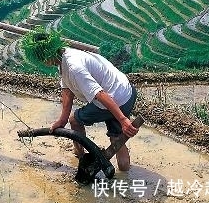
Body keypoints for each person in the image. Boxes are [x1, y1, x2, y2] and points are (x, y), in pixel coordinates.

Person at [21, 29, 140, 171]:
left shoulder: (73, 67)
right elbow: (67, 90)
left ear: (46, 56)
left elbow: (100, 94)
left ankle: (80, 156)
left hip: (114, 98)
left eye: (41, 59)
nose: (43, 62)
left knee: (75, 120)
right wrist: (62, 120)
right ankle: (125, 177)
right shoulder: (65, 55)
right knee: (117, 139)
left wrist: (123, 120)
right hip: (126, 91)